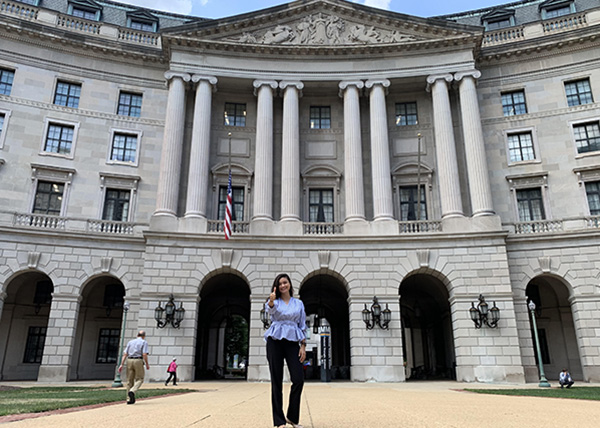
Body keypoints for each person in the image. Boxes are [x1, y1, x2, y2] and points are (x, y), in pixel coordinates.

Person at [264, 273, 307, 428]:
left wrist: (303, 345)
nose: (283, 285)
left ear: (289, 284)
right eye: (280, 283)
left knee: (298, 379)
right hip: (275, 341)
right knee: (276, 380)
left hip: (292, 342)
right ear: (277, 287)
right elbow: (269, 312)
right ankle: (279, 421)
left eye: (285, 282)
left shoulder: (299, 304)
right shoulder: (273, 302)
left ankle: (292, 417)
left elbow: (302, 324)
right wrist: (271, 301)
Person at [118, 330, 150, 404]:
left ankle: (129, 399)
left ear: (137, 335)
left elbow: (125, 354)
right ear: (144, 336)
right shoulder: (144, 342)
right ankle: (132, 391)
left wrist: (121, 364)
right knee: (140, 378)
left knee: (129, 380)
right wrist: (147, 364)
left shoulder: (130, 342)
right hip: (138, 360)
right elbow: (144, 354)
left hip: (129, 360)